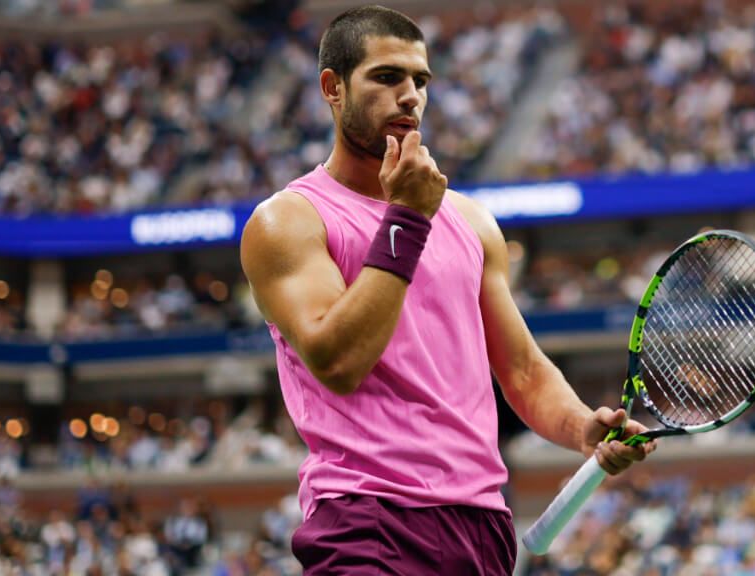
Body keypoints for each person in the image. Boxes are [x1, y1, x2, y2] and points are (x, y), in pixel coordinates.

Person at [240, 5, 656, 574]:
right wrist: (407, 218)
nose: (410, 95)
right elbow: (337, 360)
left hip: (480, 524)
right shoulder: (288, 221)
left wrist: (580, 426)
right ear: (332, 89)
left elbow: (525, 373)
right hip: (367, 520)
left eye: (420, 80)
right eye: (386, 77)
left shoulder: (471, 221)